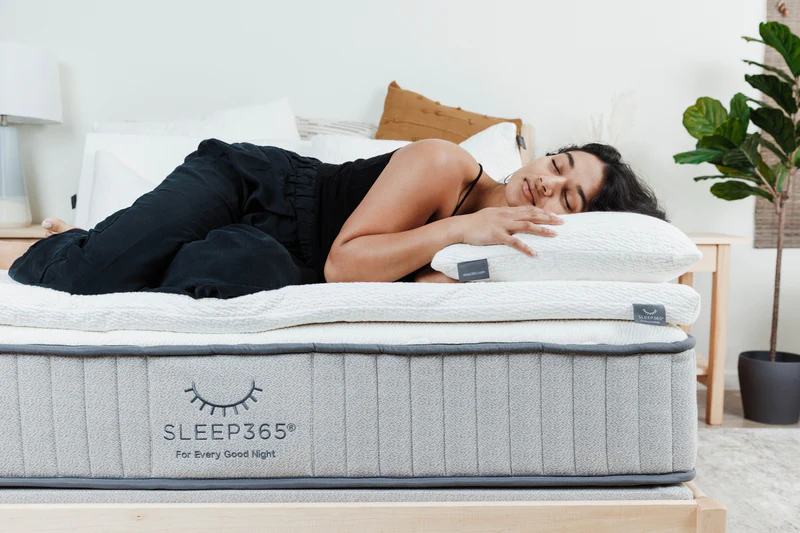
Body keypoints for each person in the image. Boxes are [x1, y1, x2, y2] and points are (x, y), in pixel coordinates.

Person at [1, 137, 666, 299]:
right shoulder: (445, 164)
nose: (545, 183)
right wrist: (458, 228)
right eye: (557, 163)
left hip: (280, 257)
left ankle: (133, 246)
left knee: (238, 268)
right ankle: (67, 247)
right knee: (93, 276)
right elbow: (346, 264)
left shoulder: (502, 257)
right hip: (249, 187)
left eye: (568, 198)